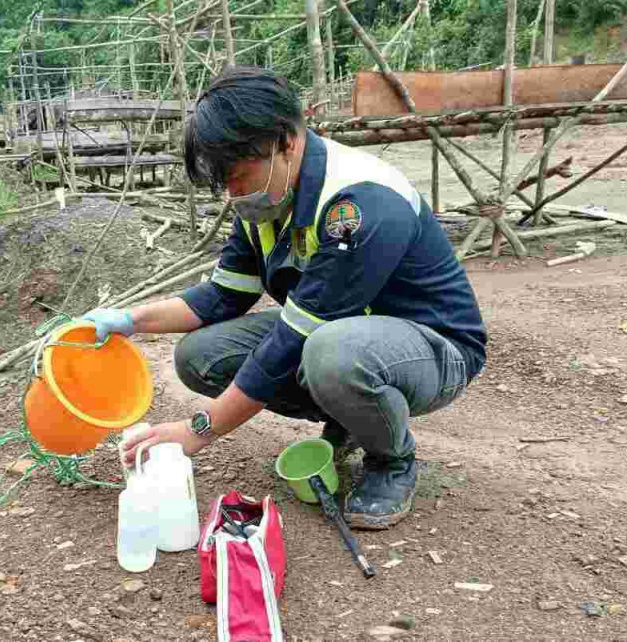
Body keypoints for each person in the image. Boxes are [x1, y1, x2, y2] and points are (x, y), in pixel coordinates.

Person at [87, 67, 486, 530]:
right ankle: (353, 418)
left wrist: (200, 429)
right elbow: (219, 299)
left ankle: (391, 460)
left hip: (434, 348)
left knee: (330, 353)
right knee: (201, 355)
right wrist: (127, 320)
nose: (233, 193)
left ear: (285, 141)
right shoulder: (266, 199)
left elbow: (293, 339)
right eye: (225, 182)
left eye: (238, 175)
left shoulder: (356, 203)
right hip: (343, 335)